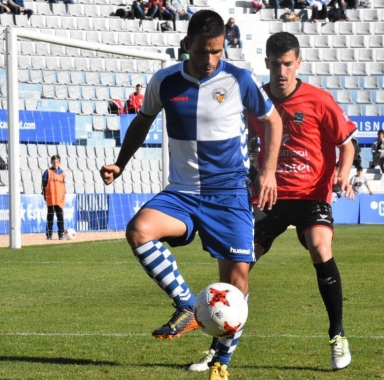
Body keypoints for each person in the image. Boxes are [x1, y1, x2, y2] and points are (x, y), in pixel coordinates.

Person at [99, 10, 282, 380]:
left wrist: (268, 171)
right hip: (182, 192)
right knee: (139, 230)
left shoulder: (239, 79)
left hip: (228, 194)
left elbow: (273, 121)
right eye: (203, 51)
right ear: (187, 46)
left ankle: (220, 363)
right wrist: (120, 163)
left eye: (217, 51)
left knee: (236, 286)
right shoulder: (165, 81)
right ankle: (187, 305)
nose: (211, 59)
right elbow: (142, 120)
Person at [189, 31, 354, 374]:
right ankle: (219, 349)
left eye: (288, 64)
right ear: (266, 63)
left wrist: (343, 173)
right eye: (276, 64)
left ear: (299, 63)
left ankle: (337, 335)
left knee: (320, 247)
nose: (282, 71)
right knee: (239, 265)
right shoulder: (255, 100)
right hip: (269, 196)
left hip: (311, 195)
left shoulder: (319, 101)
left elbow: (348, 143)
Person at [42, 155, 66, 240]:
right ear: (51, 162)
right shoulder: (47, 172)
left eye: (57, 162)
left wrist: (63, 195)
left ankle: (61, 234)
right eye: (54, 162)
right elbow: (44, 185)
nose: (55, 164)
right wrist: (44, 195)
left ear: (60, 162)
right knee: (50, 217)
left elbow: (64, 186)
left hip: (59, 199)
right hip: (51, 198)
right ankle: (49, 235)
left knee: (60, 217)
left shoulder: (63, 173)